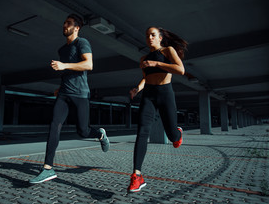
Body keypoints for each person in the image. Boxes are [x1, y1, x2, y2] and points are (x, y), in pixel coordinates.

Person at [29, 14, 110, 184]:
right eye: (64, 23)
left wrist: (64, 65)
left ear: (77, 28)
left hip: (80, 94)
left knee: (83, 131)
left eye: (68, 24)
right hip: (64, 94)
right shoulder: (62, 50)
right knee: (54, 126)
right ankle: (47, 169)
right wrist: (61, 86)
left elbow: (89, 64)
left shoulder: (82, 43)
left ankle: (100, 134)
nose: (64, 25)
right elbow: (67, 72)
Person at [127, 26, 188, 192]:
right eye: (147, 36)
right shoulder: (143, 58)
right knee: (142, 131)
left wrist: (157, 63)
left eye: (153, 35)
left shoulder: (168, 50)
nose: (149, 38)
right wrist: (137, 89)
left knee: (172, 136)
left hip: (165, 93)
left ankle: (178, 133)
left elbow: (180, 70)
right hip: (149, 95)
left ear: (160, 37)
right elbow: (146, 78)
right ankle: (137, 176)